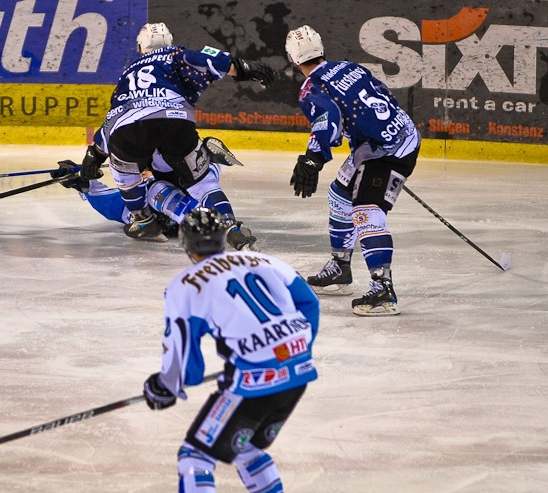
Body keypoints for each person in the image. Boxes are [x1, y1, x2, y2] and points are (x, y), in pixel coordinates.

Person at [141, 207, 320, 493]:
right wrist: (290, 351)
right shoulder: (262, 259)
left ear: (186, 244)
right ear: (222, 241)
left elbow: (184, 367)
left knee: (194, 454)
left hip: (254, 383)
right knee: (246, 447)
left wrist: (163, 387)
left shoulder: (185, 285)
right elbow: (309, 303)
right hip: (298, 371)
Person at [79, 22, 275, 249]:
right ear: (169, 41)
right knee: (203, 183)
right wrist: (243, 68)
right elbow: (207, 59)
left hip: (128, 129)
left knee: (125, 172)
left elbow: (113, 119)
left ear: (141, 47)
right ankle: (231, 228)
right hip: (174, 121)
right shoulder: (175, 54)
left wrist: (94, 154)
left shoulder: (127, 73)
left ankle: (143, 220)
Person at [286, 25, 421, 316]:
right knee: (340, 195)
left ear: (293, 60)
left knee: (366, 210)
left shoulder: (312, 89)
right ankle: (340, 267)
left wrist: (313, 159)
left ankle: (383, 290)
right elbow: (381, 95)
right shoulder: (349, 67)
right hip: (391, 138)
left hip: (387, 150)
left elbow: (328, 122)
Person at [51, 135, 259, 250]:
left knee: (157, 188)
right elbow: (107, 202)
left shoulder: (134, 190)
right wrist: (82, 181)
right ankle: (207, 165)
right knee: (159, 189)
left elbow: (105, 200)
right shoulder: (135, 200)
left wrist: (84, 181)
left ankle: (206, 168)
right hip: (179, 201)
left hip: (178, 190)